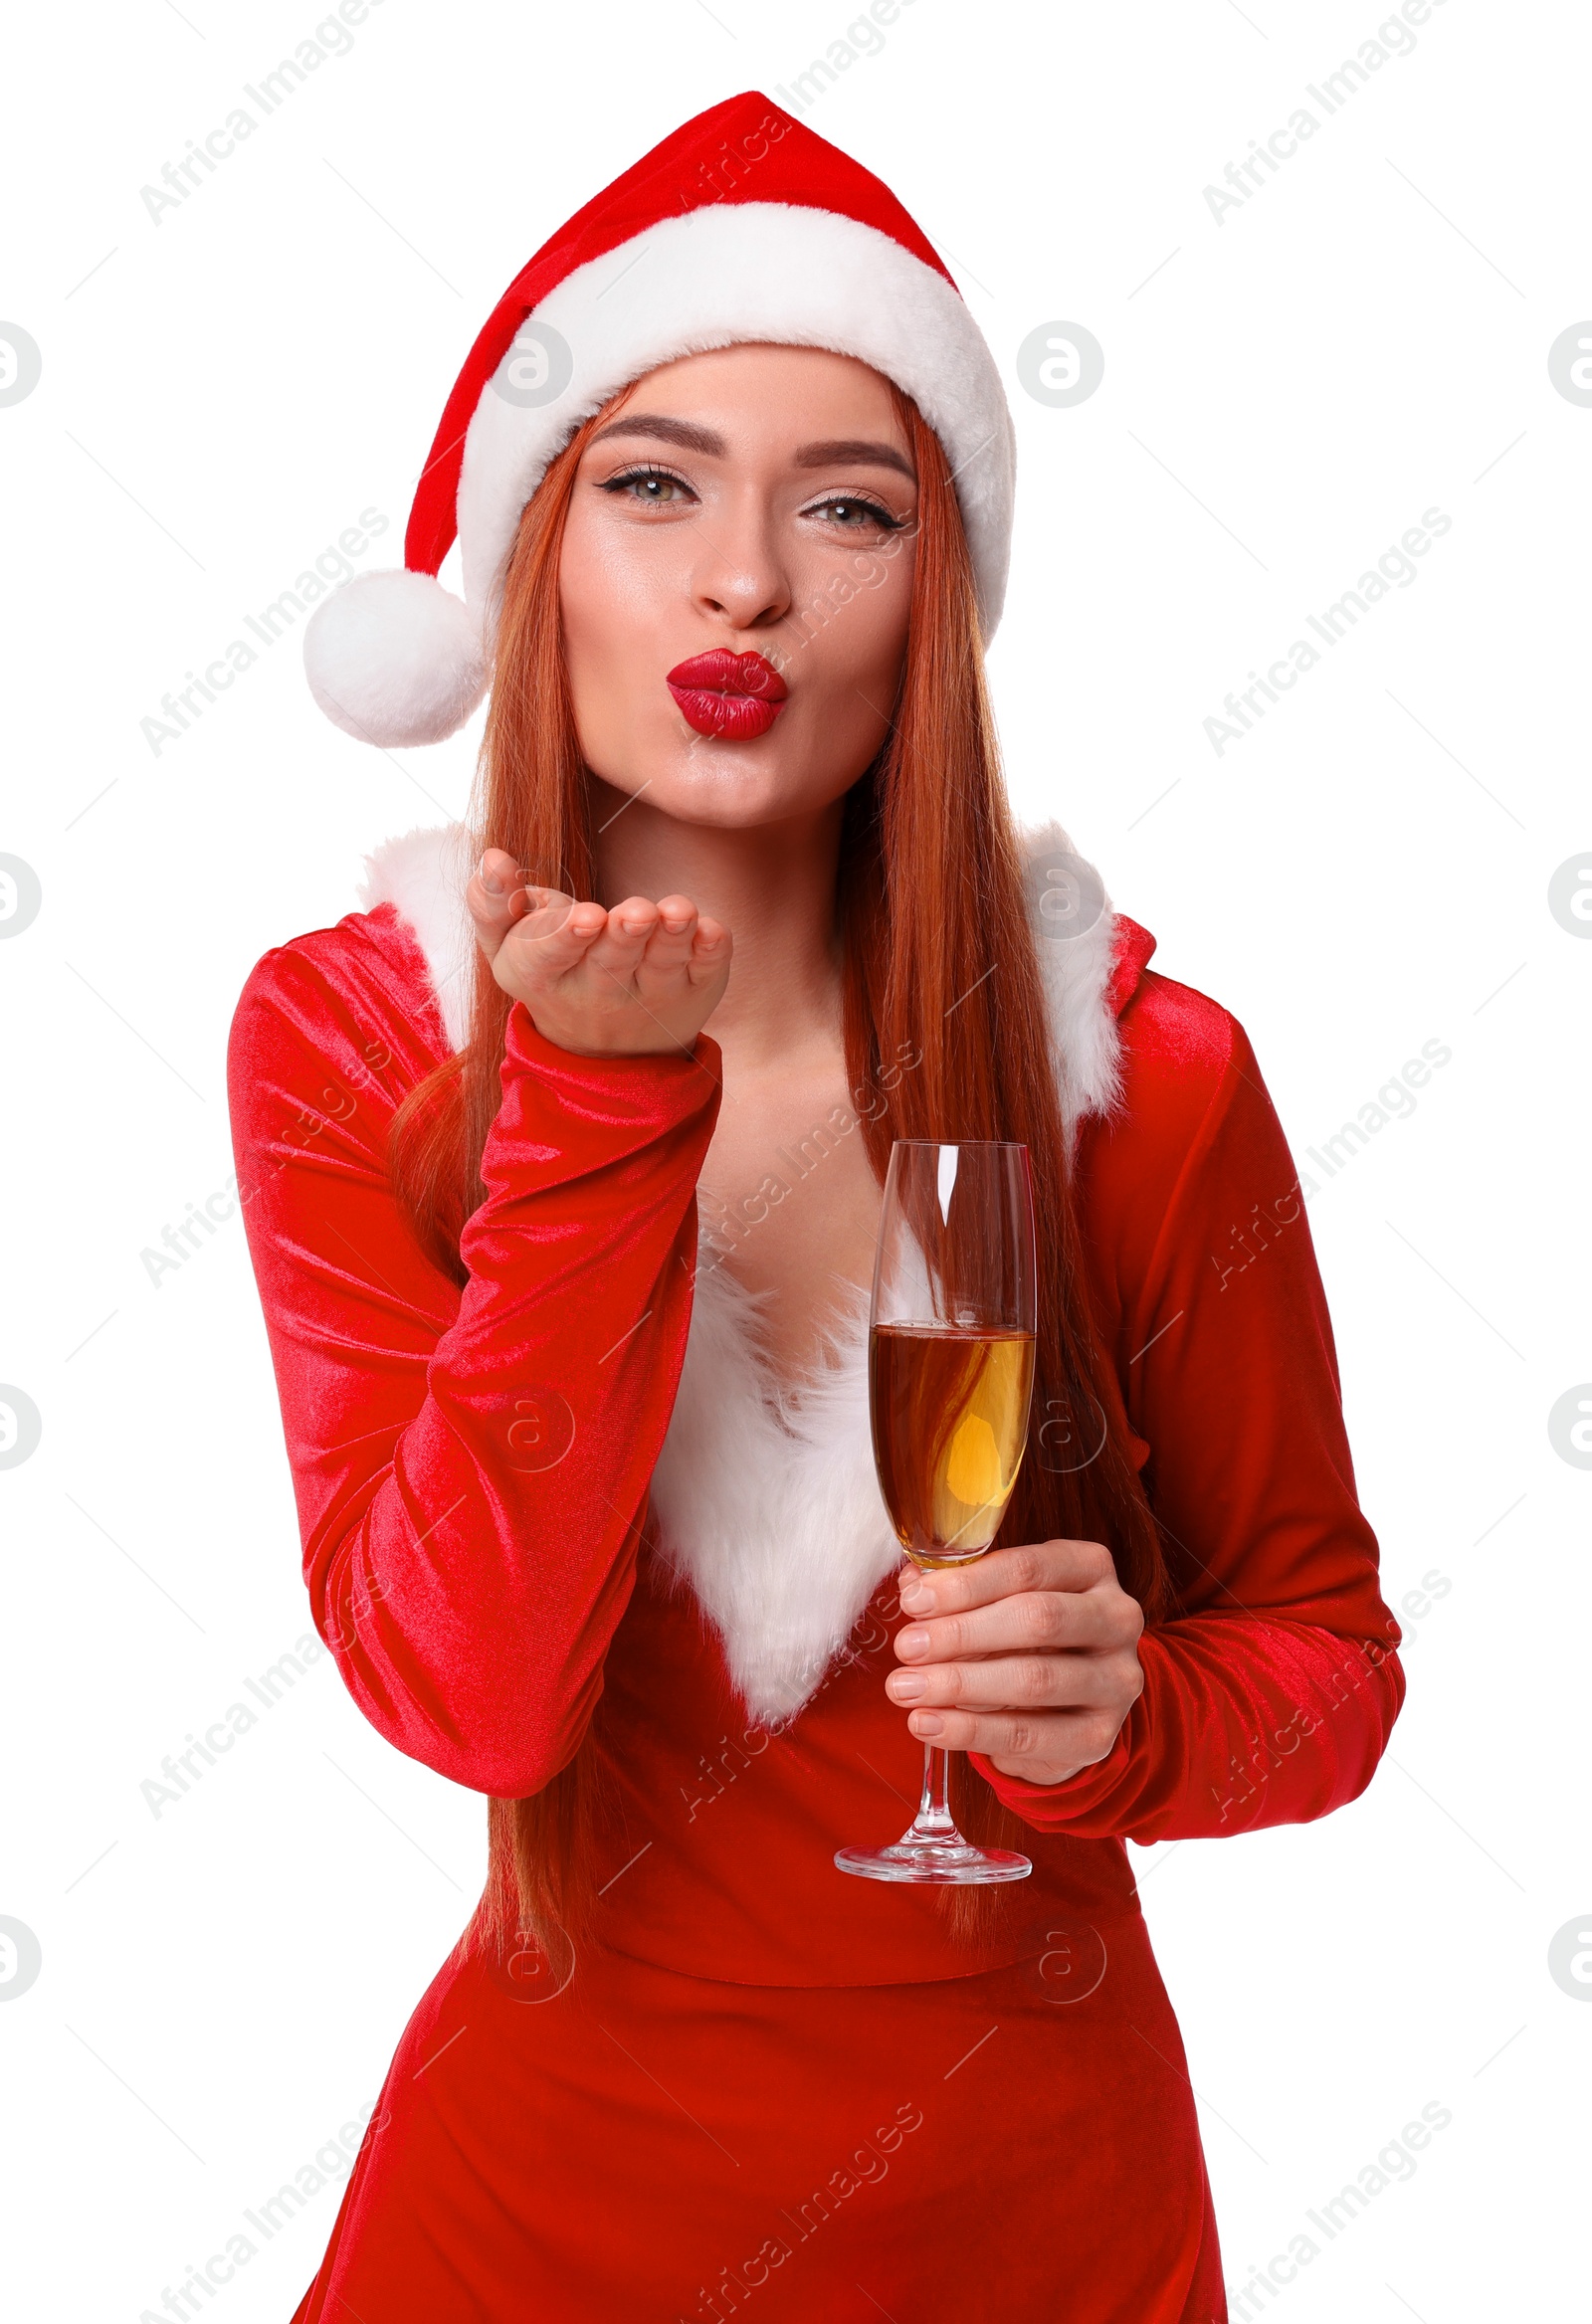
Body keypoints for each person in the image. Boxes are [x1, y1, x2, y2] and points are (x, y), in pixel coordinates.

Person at [228, 91, 1404, 2324]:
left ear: (930, 589)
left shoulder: (1143, 1082)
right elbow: (467, 1702)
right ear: (529, 558)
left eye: (842, 505)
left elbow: (1322, 1662)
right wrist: (587, 1106)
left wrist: (1135, 1711)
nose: (740, 576)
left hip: (1037, 2223)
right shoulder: (362, 1043)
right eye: (652, 483)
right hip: (531, 2218)